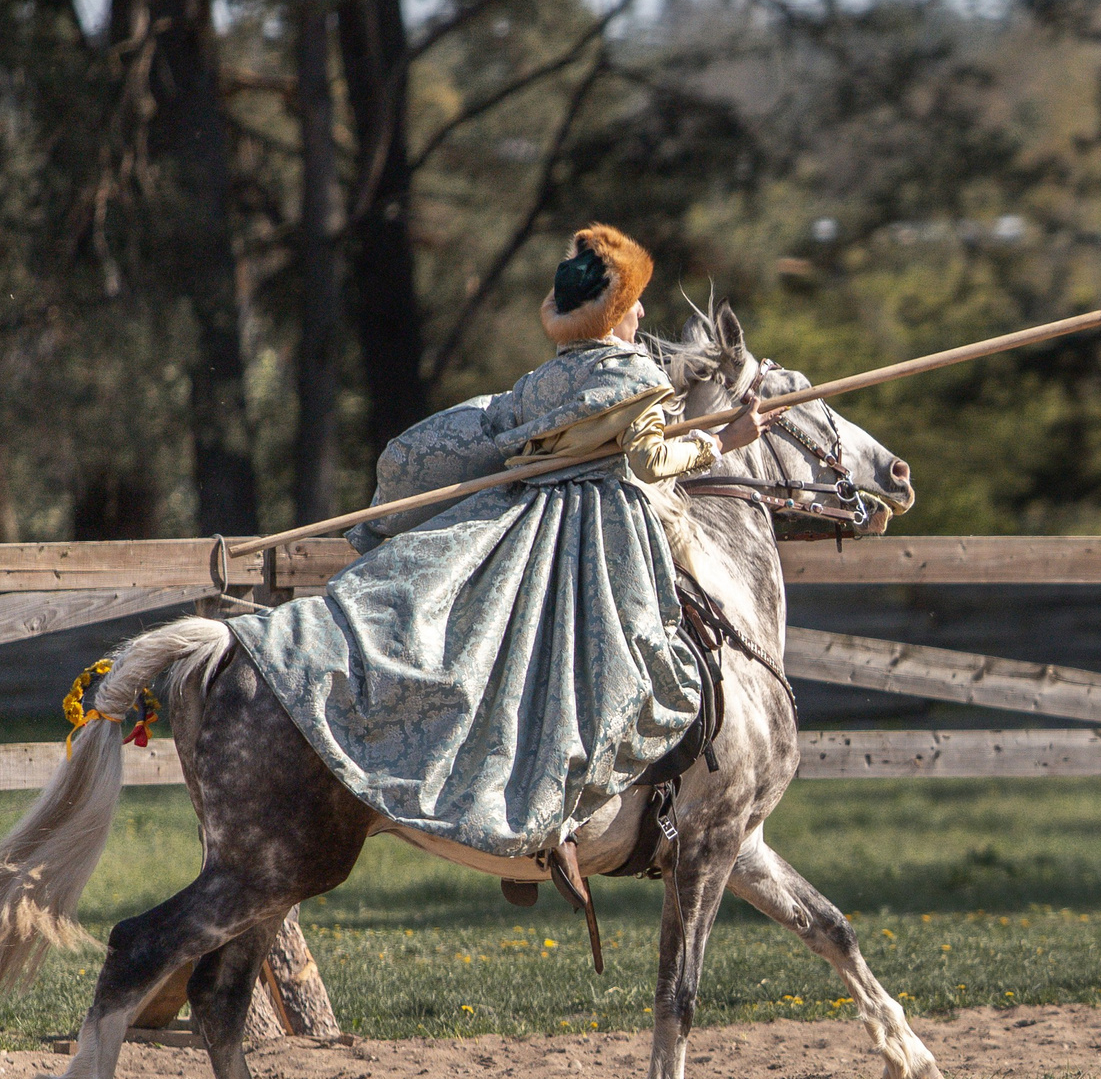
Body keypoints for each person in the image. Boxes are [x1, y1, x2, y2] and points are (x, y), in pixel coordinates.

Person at [229, 224, 764, 890]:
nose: (644, 312)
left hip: (524, 519)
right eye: (635, 300)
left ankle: (522, 807)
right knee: (610, 667)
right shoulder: (634, 374)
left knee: (510, 656)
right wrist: (723, 440)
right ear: (614, 310)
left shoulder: (546, 378)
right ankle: (558, 814)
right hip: (600, 531)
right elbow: (651, 460)